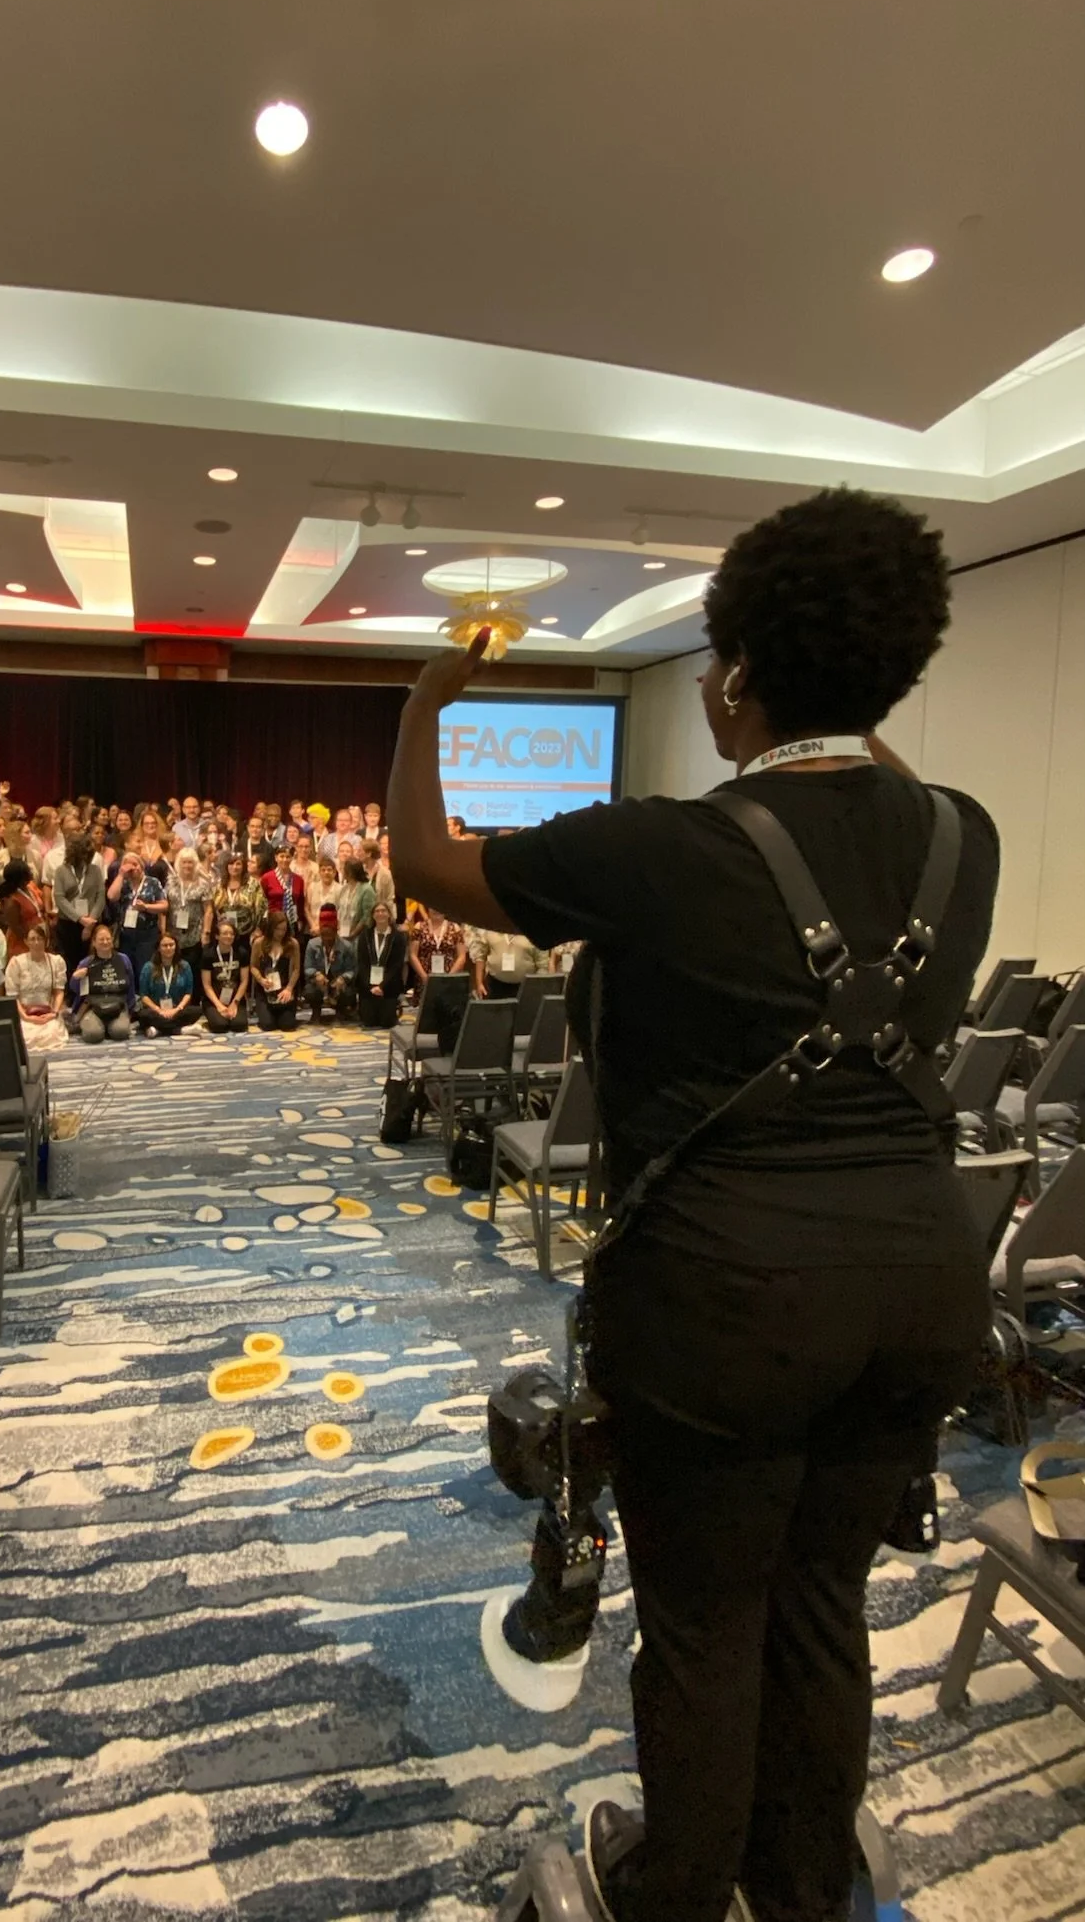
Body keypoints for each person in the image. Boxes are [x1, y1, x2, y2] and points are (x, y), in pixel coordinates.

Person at [385, 489, 1000, 1922]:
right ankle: (796, 1890)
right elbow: (867, 787)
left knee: (705, 1626)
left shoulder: (658, 846)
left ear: (730, 678)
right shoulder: (959, 837)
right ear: (889, 678)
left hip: (724, 1302)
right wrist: (843, 701)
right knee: (820, 1601)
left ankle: (673, 1889)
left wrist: (424, 704)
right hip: (923, 1283)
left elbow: (424, 860)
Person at [4, 921, 69, 1053]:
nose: (36, 943)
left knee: (51, 1035)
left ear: (46, 941)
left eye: (40, 939)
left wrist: (54, 1013)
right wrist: (26, 1017)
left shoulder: (56, 962)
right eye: (32, 939)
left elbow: (58, 992)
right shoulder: (16, 963)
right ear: (26, 941)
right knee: (26, 1038)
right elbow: (12, 996)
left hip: (48, 1012)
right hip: (24, 1013)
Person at [50, 832, 106, 973]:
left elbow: (100, 896)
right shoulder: (61, 871)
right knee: (70, 963)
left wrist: (90, 922)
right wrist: (80, 919)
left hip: (91, 923)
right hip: (68, 923)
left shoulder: (95, 870)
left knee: (91, 962)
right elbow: (60, 898)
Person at [70, 922, 135, 1043]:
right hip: (93, 1008)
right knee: (93, 1035)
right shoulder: (86, 963)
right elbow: (75, 989)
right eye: (101, 940)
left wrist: (130, 1011)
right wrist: (75, 978)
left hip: (118, 1007)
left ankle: (109, 1027)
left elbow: (131, 987)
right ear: (94, 943)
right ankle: (97, 1026)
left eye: (108, 939)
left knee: (120, 1033)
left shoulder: (124, 960)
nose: (105, 942)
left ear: (112, 940)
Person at [107, 850, 166, 976]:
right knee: (127, 969)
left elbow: (164, 905)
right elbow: (111, 896)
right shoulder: (122, 882)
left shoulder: (152, 882)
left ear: (141, 865)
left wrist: (146, 907)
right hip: (126, 935)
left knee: (144, 969)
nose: (132, 868)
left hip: (147, 935)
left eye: (135, 864)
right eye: (128, 865)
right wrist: (121, 874)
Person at [136, 929, 201, 1038]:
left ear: (176, 947)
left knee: (197, 1010)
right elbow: (144, 995)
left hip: (177, 1010)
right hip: (155, 1011)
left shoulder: (184, 966)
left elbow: (188, 993)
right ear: (159, 948)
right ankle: (180, 1030)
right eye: (164, 945)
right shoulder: (148, 967)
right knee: (142, 1015)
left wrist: (176, 1009)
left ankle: (157, 1029)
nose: (168, 948)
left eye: (171, 945)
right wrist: (159, 1010)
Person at [165, 847, 213, 995]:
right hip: (174, 934)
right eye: (184, 862)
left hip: (195, 934)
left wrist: (206, 932)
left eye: (190, 862)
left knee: (192, 968)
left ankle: (193, 1000)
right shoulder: (171, 882)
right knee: (175, 968)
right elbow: (165, 906)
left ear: (195, 864)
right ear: (179, 863)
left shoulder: (203, 883)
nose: (187, 866)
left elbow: (209, 910)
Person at [354, 900, 407, 1028]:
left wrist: (382, 986)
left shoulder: (398, 937)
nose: (380, 914)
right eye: (377, 911)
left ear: (389, 914)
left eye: (383, 911)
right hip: (368, 986)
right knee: (369, 1022)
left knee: (387, 1023)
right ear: (373, 915)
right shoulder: (365, 936)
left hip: (388, 986)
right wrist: (371, 986)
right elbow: (362, 963)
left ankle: (394, 1007)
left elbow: (396, 965)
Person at [302, 904, 357, 1021]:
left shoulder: (346, 946)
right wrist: (316, 974)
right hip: (319, 983)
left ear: (335, 931)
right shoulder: (312, 944)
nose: (326, 938)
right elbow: (307, 967)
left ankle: (340, 1010)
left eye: (329, 934)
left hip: (338, 983)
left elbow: (352, 970)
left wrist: (343, 978)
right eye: (323, 934)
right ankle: (316, 1010)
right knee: (309, 991)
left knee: (348, 993)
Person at [250, 911, 300, 1031]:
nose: (280, 933)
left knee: (287, 1025)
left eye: (283, 929)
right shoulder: (259, 943)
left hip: (284, 990)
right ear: (271, 928)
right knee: (268, 1025)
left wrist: (289, 988)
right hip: (265, 990)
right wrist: (261, 980)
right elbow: (253, 967)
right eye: (277, 929)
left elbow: (296, 969)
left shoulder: (292, 944)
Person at [468, 925, 547, 998]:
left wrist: (537, 987)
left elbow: (543, 965)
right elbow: (480, 956)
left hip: (525, 987)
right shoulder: (491, 929)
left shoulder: (533, 933)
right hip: (495, 985)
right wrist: (479, 983)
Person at [213, 855, 265, 962]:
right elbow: (213, 908)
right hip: (224, 934)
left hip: (246, 934)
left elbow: (261, 908)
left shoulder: (253, 884)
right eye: (231, 864)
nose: (234, 867)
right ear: (226, 866)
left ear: (243, 866)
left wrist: (258, 930)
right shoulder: (219, 884)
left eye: (238, 864)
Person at [201, 919, 250, 1034]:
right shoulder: (208, 954)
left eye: (231, 934)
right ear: (217, 936)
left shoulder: (242, 953)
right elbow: (206, 985)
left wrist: (235, 1003)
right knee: (220, 1026)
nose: (229, 936)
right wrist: (219, 1005)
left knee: (239, 1025)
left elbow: (244, 981)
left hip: (235, 998)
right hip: (214, 1000)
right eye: (225, 933)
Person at [408, 906, 467, 993]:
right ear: (428, 908)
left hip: (449, 981)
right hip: (424, 980)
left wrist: (449, 978)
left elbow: (462, 956)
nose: (436, 910)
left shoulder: (455, 928)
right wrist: (424, 977)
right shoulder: (419, 927)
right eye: (433, 907)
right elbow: (413, 955)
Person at [0, 859, 45, 960]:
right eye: (28, 871)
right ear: (20, 877)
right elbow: (16, 927)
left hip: (40, 937)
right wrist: (31, 942)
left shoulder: (31, 887)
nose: (31, 872)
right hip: (23, 942)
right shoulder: (11, 900)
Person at [261, 845, 304, 941]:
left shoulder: (298, 879)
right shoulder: (267, 878)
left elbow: (300, 902)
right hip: (272, 922)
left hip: (291, 922)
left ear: (292, 858)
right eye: (282, 856)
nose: (285, 859)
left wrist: (300, 920)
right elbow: (262, 901)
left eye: (288, 857)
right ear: (276, 858)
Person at [337, 854, 376, 942]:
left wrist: (353, 933)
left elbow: (367, 916)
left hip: (360, 937)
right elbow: (339, 910)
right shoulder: (344, 889)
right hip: (342, 934)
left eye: (344, 869)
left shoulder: (366, 889)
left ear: (350, 872)